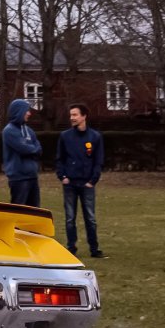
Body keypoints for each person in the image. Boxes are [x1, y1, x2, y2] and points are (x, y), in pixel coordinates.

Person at [56, 103, 106, 258]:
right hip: (70, 183)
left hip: (87, 184)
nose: (72, 118)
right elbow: (60, 159)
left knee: (90, 218)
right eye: (71, 115)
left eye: (75, 115)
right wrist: (63, 176)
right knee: (70, 217)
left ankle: (94, 248)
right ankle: (71, 247)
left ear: (84, 116)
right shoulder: (65, 136)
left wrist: (93, 180)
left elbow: (98, 161)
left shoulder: (95, 137)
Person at [2, 97, 43, 207]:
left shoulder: (29, 130)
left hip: (32, 177)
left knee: (35, 211)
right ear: (19, 111)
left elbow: (39, 148)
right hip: (19, 179)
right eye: (27, 111)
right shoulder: (9, 131)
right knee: (19, 212)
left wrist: (33, 149)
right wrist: (33, 149)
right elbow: (23, 149)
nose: (29, 113)